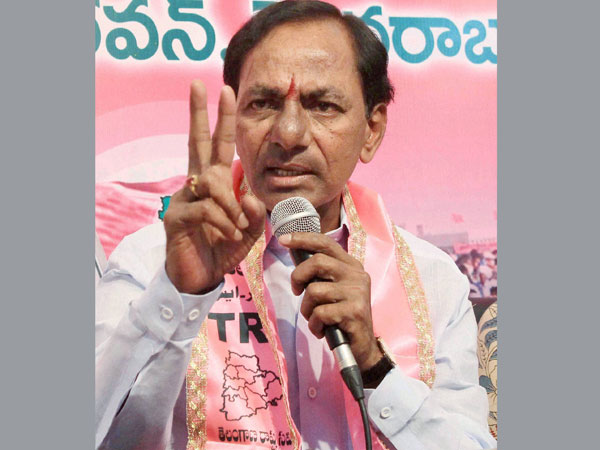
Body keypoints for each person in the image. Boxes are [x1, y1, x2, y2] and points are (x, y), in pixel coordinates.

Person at [95, 1, 496, 449]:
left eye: (322, 105)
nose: (288, 134)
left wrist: (374, 364)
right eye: (263, 104)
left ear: (371, 129)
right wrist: (177, 296)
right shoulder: (155, 259)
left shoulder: (431, 279)